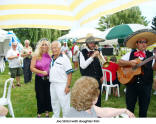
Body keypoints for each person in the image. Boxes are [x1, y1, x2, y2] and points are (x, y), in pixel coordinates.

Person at [118, 29, 156, 117]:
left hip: (146, 86)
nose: (144, 44)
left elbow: (154, 68)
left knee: (144, 109)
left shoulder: (151, 55)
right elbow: (119, 62)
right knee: (129, 109)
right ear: (136, 44)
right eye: (141, 42)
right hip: (132, 85)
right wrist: (129, 63)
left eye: (145, 42)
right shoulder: (130, 54)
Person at [66, 76, 135, 118]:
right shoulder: (79, 116)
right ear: (91, 97)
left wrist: (124, 110)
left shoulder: (88, 107)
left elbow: (105, 111)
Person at [79, 36, 104, 107]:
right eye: (90, 43)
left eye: (94, 42)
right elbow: (83, 66)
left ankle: (98, 115)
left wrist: (101, 76)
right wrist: (92, 56)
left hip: (97, 79)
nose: (93, 44)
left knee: (98, 99)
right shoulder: (82, 52)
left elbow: (99, 65)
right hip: (88, 79)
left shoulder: (96, 51)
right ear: (86, 43)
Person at [49, 41, 73, 118]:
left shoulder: (64, 58)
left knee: (64, 104)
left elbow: (69, 73)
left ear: (60, 48)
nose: (53, 49)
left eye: (55, 47)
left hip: (62, 85)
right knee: (54, 103)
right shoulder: (52, 58)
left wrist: (67, 86)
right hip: (52, 84)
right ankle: (56, 117)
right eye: (52, 48)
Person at [30, 38, 52, 118]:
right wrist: (42, 72)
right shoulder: (36, 55)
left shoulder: (50, 55)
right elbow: (32, 68)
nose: (44, 46)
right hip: (39, 79)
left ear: (48, 46)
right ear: (40, 46)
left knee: (48, 95)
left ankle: (47, 112)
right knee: (40, 96)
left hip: (49, 79)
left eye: (46, 44)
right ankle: (39, 112)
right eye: (42, 44)